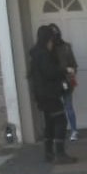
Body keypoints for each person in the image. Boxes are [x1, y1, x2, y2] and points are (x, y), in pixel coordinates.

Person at [28, 25, 77, 164]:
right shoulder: (43, 54)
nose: (52, 44)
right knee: (61, 120)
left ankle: (49, 153)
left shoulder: (36, 54)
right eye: (51, 40)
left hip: (42, 94)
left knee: (50, 123)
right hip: (49, 94)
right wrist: (64, 70)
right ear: (48, 40)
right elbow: (50, 72)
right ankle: (60, 154)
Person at [48, 23, 79, 141]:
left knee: (68, 107)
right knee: (55, 109)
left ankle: (74, 130)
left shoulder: (66, 47)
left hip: (66, 81)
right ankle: (58, 132)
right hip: (53, 82)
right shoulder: (47, 49)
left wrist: (71, 73)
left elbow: (73, 64)